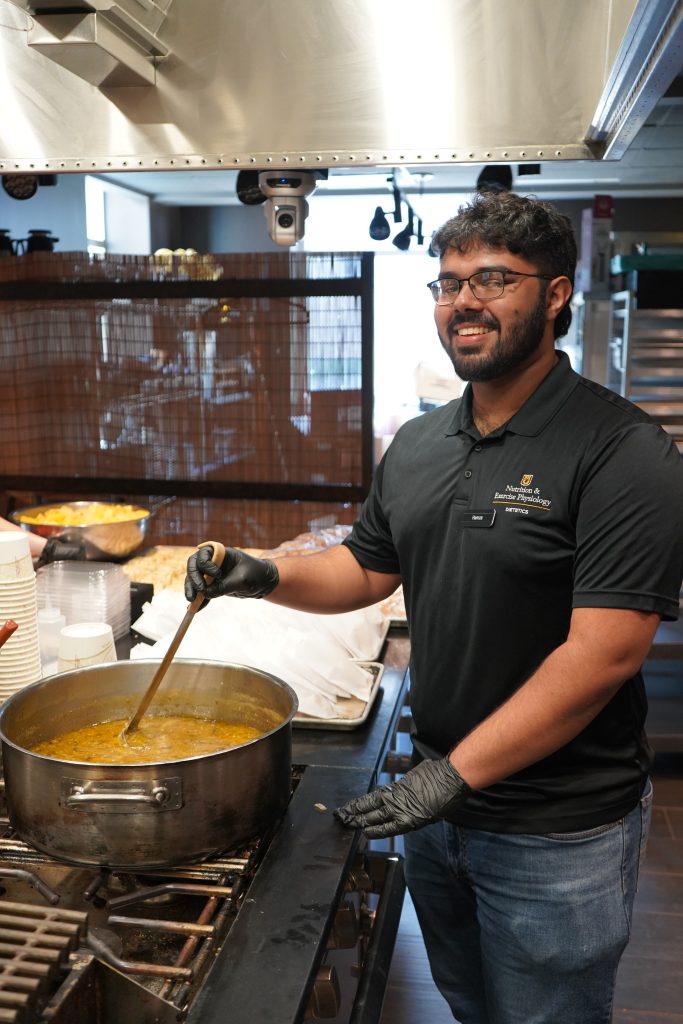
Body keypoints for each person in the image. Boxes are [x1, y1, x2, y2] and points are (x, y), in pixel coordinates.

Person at [184, 190, 683, 1024]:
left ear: (554, 295)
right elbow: (365, 570)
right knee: (470, 1005)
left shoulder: (622, 450)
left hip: (555, 830)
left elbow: (603, 654)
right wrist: (261, 571)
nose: (463, 302)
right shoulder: (419, 444)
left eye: (492, 279)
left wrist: (452, 775)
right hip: (436, 806)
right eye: (447, 283)